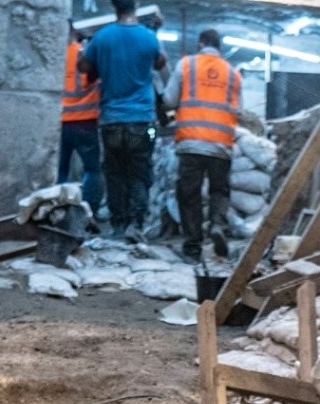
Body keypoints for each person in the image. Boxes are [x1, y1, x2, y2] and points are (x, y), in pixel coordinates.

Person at [79, 0, 166, 242]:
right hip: (142, 121)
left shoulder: (103, 36)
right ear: (136, 6)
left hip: (111, 121)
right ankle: (136, 225)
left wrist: (91, 49)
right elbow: (160, 62)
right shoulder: (148, 38)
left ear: (113, 7)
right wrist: (154, 32)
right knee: (140, 172)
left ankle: (118, 224)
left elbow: (83, 66)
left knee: (115, 172)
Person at [163, 29, 241, 261]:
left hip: (191, 141)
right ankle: (217, 224)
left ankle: (193, 246)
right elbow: (238, 110)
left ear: (200, 44)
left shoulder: (186, 65)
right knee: (219, 190)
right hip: (221, 143)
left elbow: (169, 100)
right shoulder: (233, 73)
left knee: (189, 195)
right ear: (220, 47)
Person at [58, 27, 105, 222]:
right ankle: (87, 215)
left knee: (60, 171)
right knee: (92, 170)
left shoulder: (56, 54)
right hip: (85, 121)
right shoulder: (87, 54)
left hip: (60, 123)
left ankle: (57, 213)